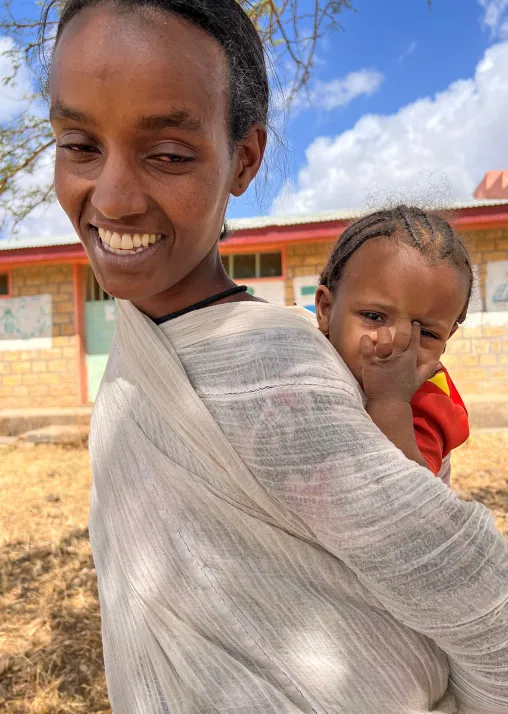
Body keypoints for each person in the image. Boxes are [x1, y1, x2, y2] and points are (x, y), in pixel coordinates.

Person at [42, 0, 508, 712]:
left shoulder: (283, 376)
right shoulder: (140, 347)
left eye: (167, 154)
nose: (112, 197)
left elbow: (479, 600)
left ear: (245, 159)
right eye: (79, 144)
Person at [313, 206, 470, 484]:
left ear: (446, 340)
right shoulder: (298, 350)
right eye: (374, 317)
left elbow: (408, 494)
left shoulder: (430, 401)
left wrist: (390, 402)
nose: (397, 343)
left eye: (427, 334)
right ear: (326, 310)